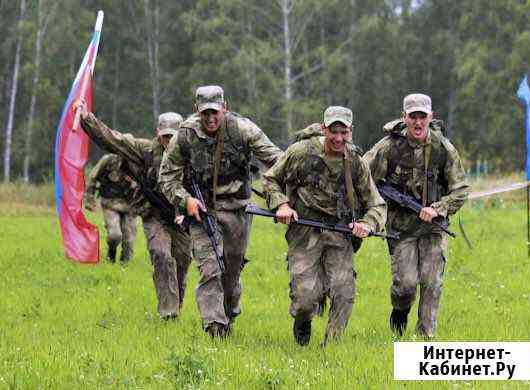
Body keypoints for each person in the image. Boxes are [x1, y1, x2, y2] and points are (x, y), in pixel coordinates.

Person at [159, 85, 282, 337]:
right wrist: (186, 200)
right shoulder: (185, 136)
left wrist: (282, 198)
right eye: (205, 113)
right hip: (202, 211)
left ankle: (230, 309)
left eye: (215, 112)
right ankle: (214, 329)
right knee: (209, 269)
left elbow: (279, 161)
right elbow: (167, 177)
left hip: (237, 210)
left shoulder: (243, 130)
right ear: (196, 111)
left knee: (231, 274)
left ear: (225, 108)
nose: (211, 118)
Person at [263, 106, 387, 346]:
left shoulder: (356, 162)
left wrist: (366, 223)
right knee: (305, 298)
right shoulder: (300, 152)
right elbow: (270, 179)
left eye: (344, 132)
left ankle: (332, 347)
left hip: (340, 234)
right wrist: (282, 205)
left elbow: (377, 204)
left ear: (350, 131)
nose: (338, 138)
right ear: (323, 129)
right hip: (304, 231)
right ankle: (303, 319)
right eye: (333, 131)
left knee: (343, 291)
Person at [74, 100, 192, 319]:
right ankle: (168, 313)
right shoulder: (144, 150)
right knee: (160, 254)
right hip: (154, 215)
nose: (169, 141)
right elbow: (112, 139)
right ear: (158, 134)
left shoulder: (192, 153)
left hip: (183, 217)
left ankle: (177, 303)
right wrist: (86, 117)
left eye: (174, 136)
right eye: (166, 136)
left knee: (182, 262)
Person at [364, 93, 469, 338]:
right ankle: (400, 310)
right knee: (406, 286)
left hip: (434, 227)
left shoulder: (443, 148)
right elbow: (362, 176)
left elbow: (461, 189)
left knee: (432, 282)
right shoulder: (388, 147)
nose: (418, 122)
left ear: (431, 117)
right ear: (404, 118)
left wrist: (439, 208)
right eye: (413, 117)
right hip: (401, 228)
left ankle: (425, 340)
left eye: (423, 116)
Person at [84, 153, 138, 264]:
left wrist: (135, 182)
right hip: (110, 203)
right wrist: (89, 199)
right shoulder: (108, 160)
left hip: (131, 205)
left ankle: (125, 267)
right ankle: (111, 255)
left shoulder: (136, 162)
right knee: (115, 235)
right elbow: (93, 177)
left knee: (129, 240)